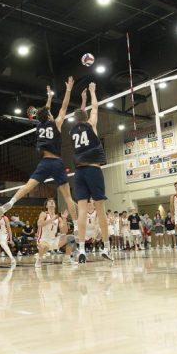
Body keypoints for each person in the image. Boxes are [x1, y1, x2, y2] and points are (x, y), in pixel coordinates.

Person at [0, 78, 79, 223]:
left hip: (45, 162)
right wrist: (68, 90)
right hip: (57, 163)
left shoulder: (39, 126)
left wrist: (49, 98)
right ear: (49, 116)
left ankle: (11, 201)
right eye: (50, 114)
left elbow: (45, 113)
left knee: (28, 186)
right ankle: (78, 225)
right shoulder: (57, 124)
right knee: (67, 197)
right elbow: (64, 107)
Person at [68, 82, 113, 264]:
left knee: (81, 212)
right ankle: (106, 246)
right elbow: (94, 108)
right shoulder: (91, 124)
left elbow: (82, 114)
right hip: (93, 170)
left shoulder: (73, 130)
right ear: (86, 118)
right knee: (100, 209)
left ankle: (81, 249)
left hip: (78, 173)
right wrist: (93, 93)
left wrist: (82, 99)